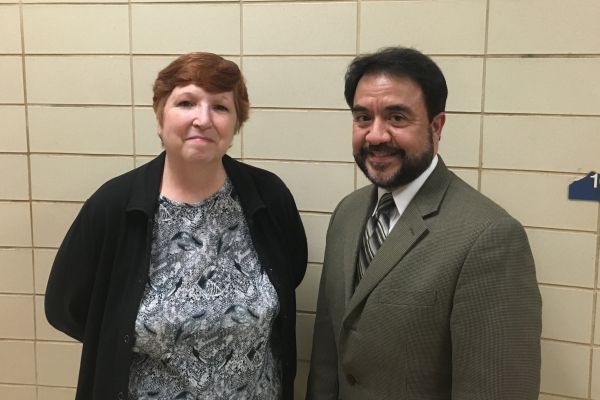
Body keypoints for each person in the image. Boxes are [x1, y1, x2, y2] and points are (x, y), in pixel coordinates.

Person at [45, 52, 307, 400]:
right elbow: (68, 308)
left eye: (220, 107)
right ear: (160, 116)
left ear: (236, 123)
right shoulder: (113, 206)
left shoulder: (268, 196)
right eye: (186, 102)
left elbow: (290, 275)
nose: (203, 119)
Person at [306, 47, 541, 399]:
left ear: (436, 125)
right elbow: (328, 356)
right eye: (363, 118)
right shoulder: (347, 213)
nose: (376, 135)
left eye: (397, 117)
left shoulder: (489, 237)